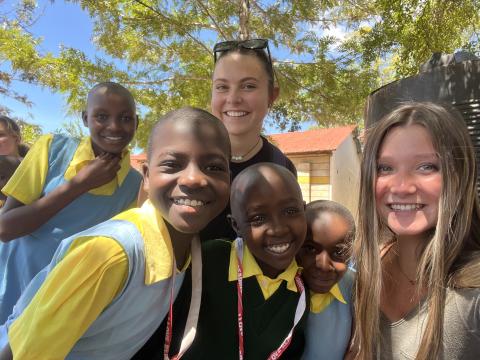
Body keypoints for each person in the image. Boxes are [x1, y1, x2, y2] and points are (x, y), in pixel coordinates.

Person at [0, 107, 231, 360]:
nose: (193, 179)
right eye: (172, 164)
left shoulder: (188, 250)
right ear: (146, 177)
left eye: (214, 167)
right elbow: (19, 354)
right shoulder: (110, 255)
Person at [0, 82, 142, 324]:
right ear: (86, 119)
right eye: (102, 116)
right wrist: (78, 185)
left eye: (125, 118)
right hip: (11, 286)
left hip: (60, 304)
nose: (114, 126)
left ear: (137, 123)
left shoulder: (133, 182)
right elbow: (6, 229)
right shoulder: (52, 149)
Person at [350, 102, 480, 359]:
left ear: (459, 175)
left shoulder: (472, 295)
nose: (401, 187)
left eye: (426, 167)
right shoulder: (364, 270)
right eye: (385, 168)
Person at [167, 163, 307, 359]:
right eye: (258, 218)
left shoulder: (306, 286)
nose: (278, 229)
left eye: (291, 211)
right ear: (236, 225)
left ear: (304, 210)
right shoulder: (207, 262)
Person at [201, 38, 297, 241]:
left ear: (272, 95)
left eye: (248, 86)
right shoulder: (182, 161)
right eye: (222, 87)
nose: (233, 98)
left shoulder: (282, 169)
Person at [297, 200, 355, 360]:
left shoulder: (355, 288)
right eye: (310, 249)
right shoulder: (279, 285)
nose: (323, 265)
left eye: (338, 252)